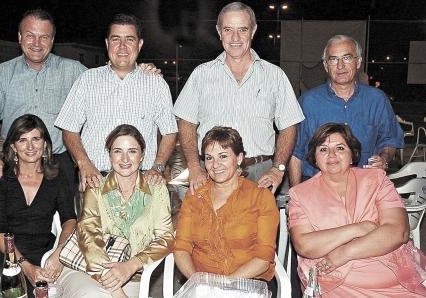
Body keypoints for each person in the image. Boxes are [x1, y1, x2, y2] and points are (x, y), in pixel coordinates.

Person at [173, 2, 304, 194]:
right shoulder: (201, 75)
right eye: (228, 29)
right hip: (212, 172)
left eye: (242, 29)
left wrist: (278, 168)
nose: (235, 38)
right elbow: (186, 123)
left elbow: (289, 126)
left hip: (260, 174)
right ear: (219, 32)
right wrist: (193, 166)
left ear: (253, 31)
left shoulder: (274, 75)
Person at [288, 123, 426, 297]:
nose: (331, 155)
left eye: (340, 148)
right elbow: (305, 245)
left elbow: (398, 232)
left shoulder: (376, 180)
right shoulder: (300, 194)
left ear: (352, 155)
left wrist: (344, 253)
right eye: (323, 149)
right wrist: (360, 228)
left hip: (390, 279)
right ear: (315, 159)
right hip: (335, 283)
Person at [55, 13, 177, 192]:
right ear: (107, 43)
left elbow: (170, 132)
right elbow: (69, 129)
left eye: (129, 39)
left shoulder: (156, 84)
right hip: (96, 181)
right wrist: (84, 164)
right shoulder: (87, 80)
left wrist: (158, 167)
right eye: (115, 39)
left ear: (140, 44)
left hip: (142, 184)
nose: (122, 46)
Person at [0, 9, 87, 194]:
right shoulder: (2, 74)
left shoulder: (74, 71)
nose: (37, 43)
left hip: (59, 163)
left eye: (44, 37)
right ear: (19, 37)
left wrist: (141, 71)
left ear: (52, 41)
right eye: (30, 35)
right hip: (13, 163)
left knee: (65, 219)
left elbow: (106, 84)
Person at [57, 124, 174, 298]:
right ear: (110, 155)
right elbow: (88, 234)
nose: (125, 159)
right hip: (84, 268)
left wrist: (132, 265)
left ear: (142, 156)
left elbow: (166, 238)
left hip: (131, 276)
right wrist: (114, 289)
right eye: (118, 151)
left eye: (132, 151)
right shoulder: (96, 187)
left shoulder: (156, 189)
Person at [0, 114, 77, 297]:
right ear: (13, 147)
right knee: (6, 278)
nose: (30, 147)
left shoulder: (57, 177)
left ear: (45, 144)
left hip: (39, 249)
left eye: (36, 139)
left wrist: (60, 252)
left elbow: (69, 219)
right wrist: (25, 266)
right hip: (1, 251)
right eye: (22, 140)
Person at [289, 35, 404, 186]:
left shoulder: (377, 100)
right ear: (325, 65)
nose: (340, 66)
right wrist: (295, 196)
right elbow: (295, 154)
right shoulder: (307, 102)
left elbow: (390, 139)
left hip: (364, 186)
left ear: (358, 62)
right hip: (317, 188)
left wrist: (384, 157)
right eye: (333, 59)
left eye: (347, 58)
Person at [174, 127, 279, 290]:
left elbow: (263, 259)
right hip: (201, 285)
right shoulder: (194, 197)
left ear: (239, 158)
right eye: (209, 158)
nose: (215, 165)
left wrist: (222, 287)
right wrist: (198, 281)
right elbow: (181, 247)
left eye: (223, 156)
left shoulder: (260, 197)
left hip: (247, 284)